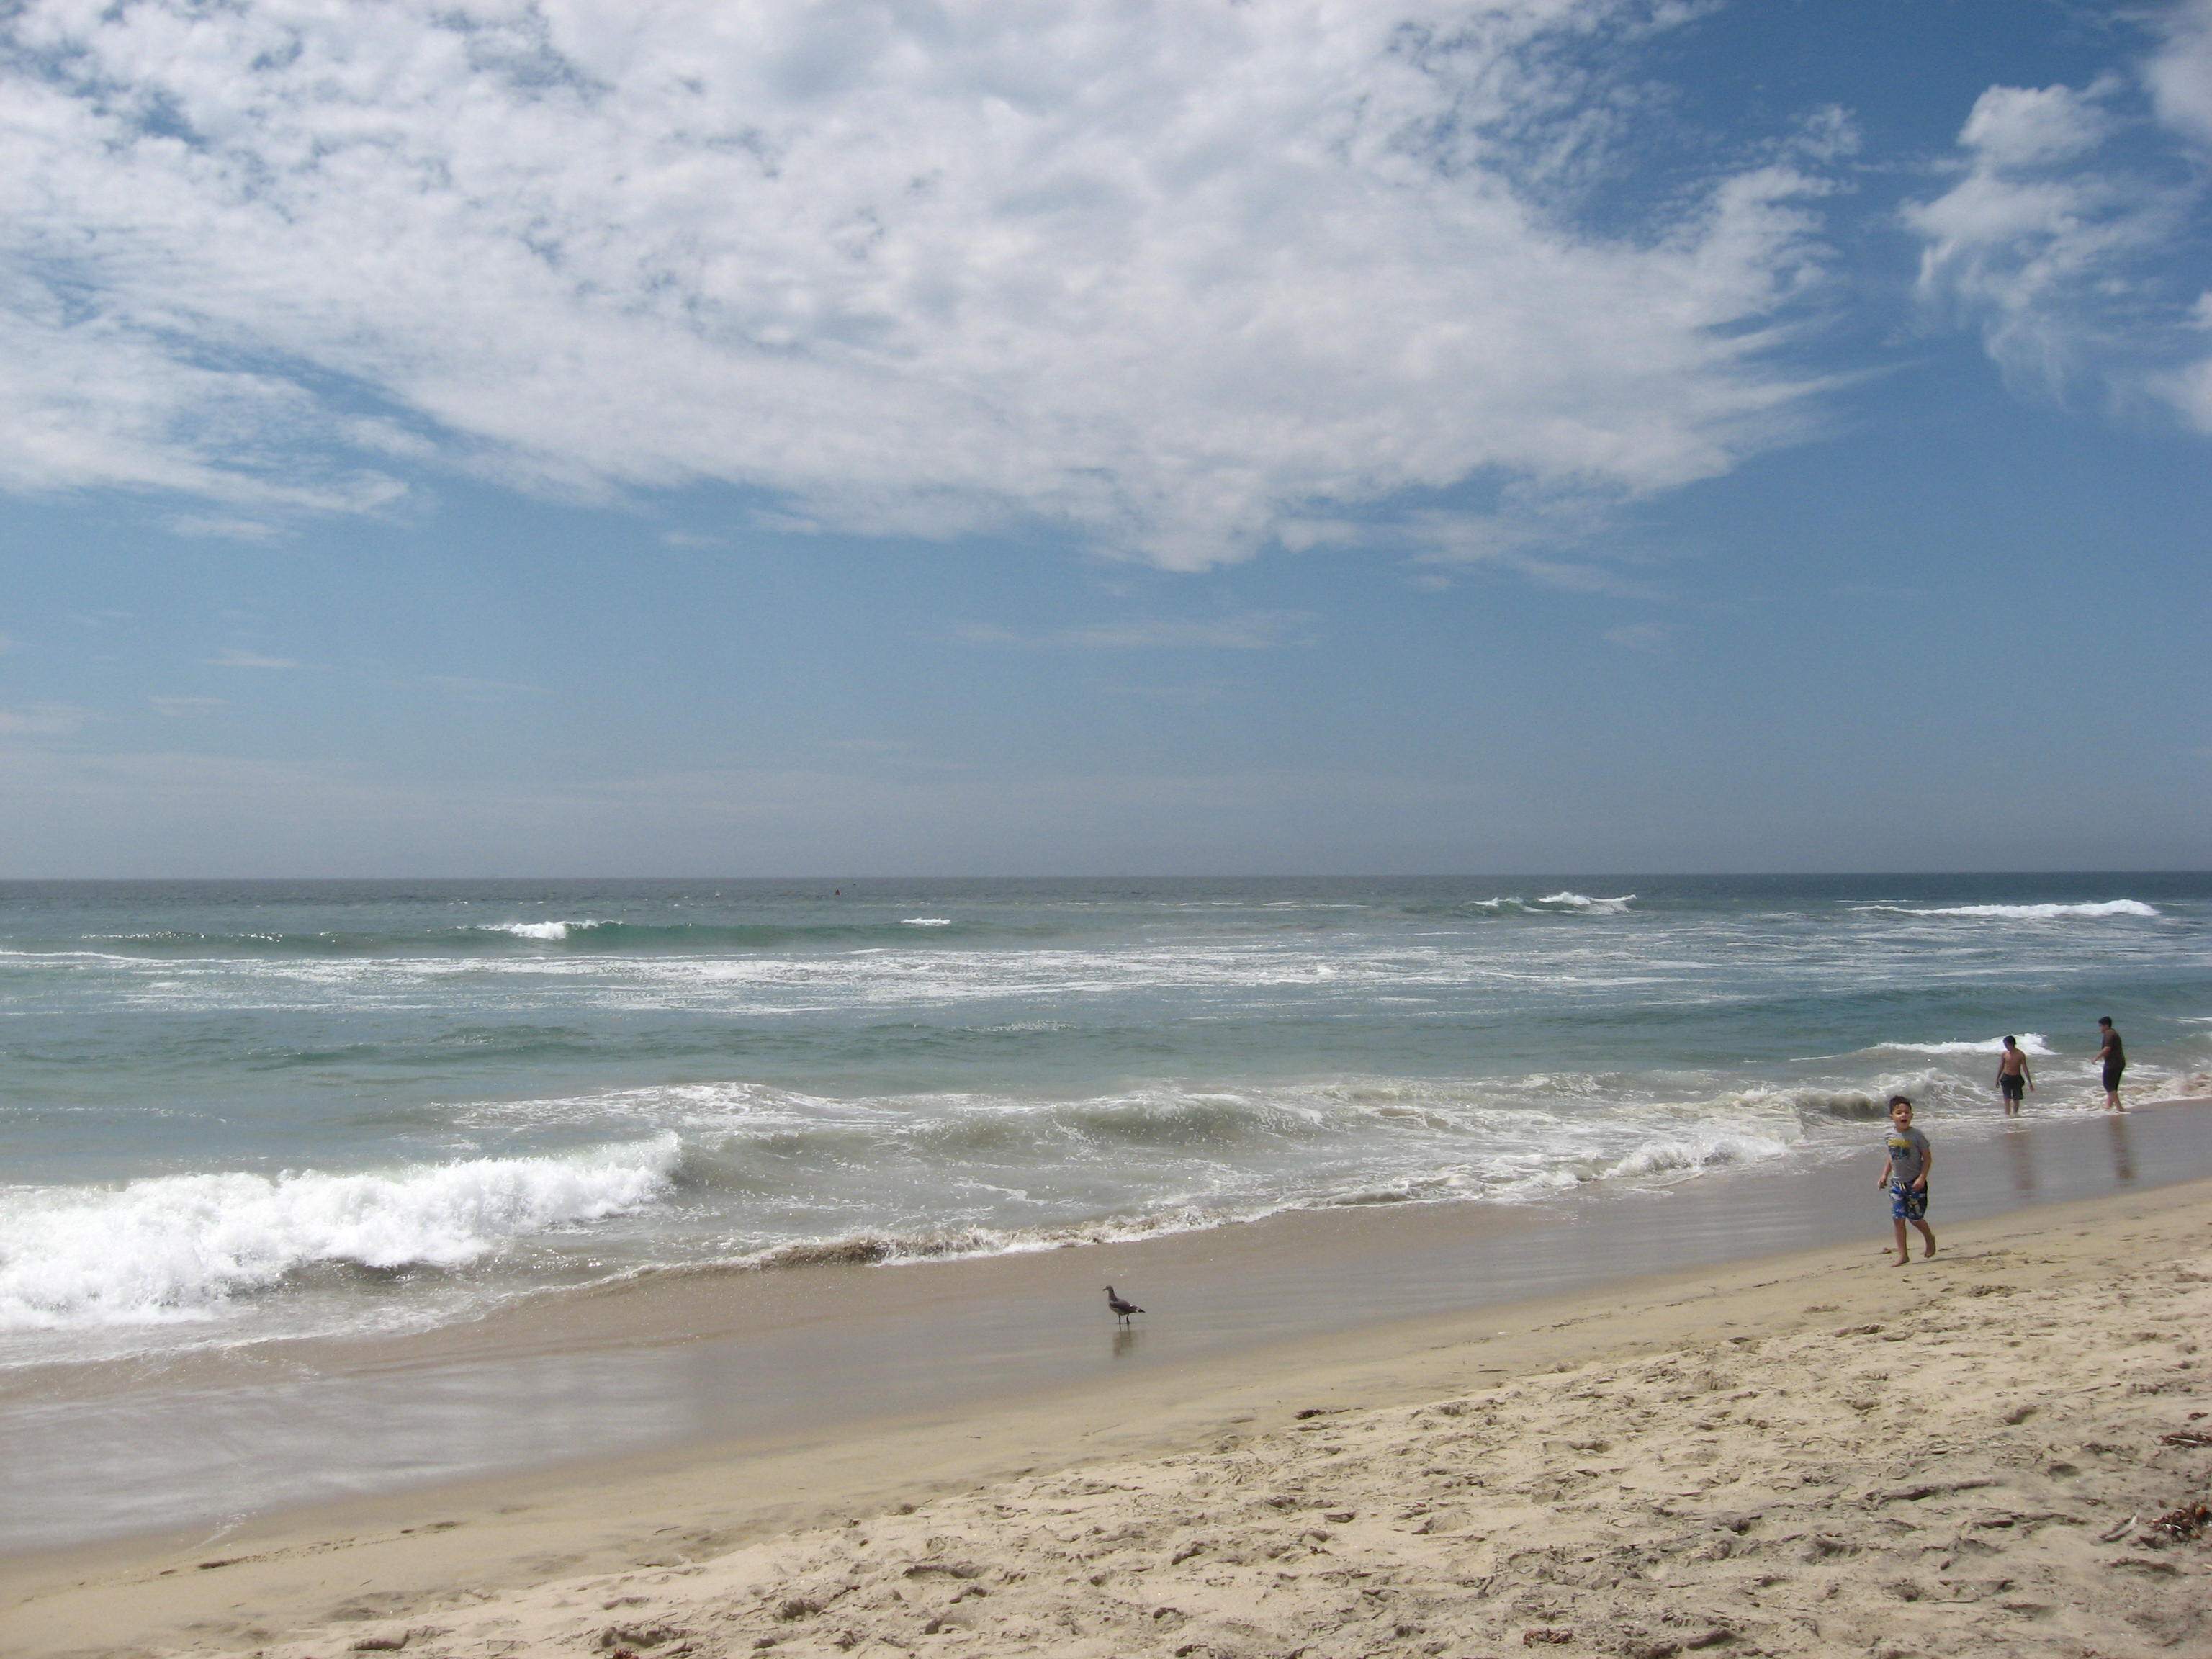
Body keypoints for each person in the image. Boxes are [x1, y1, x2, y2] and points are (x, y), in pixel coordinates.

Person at [1877, 1094, 1936, 1267]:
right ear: (1892, 1116)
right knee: (1898, 1219)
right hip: (1897, 1184)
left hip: (1915, 1183)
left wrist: (1922, 1178)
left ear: (1911, 1115)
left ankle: (1929, 1239)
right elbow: (1891, 1157)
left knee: (1915, 1219)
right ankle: (1903, 1255)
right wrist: (1884, 1175)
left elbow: (1927, 1158)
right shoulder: (1888, 1135)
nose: (1903, 1116)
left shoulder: (1917, 1135)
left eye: (1907, 1113)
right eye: (1899, 1113)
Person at [1995, 1035, 2033, 1116]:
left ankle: (2015, 1115)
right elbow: (2001, 1066)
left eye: (2006, 1045)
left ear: (2011, 1044)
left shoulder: (2020, 1054)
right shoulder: (2005, 1054)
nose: (2005, 1046)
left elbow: (2025, 1069)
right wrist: (1997, 1079)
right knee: (2007, 1099)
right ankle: (2007, 1116)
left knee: (2016, 1099)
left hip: (2017, 1078)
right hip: (2006, 1078)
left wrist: (2030, 1083)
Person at [2095, 1017, 2126, 1112]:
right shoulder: (2113, 1032)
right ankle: (2108, 1106)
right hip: (2119, 1062)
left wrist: (2096, 1058)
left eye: (2101, 1026)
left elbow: (2107, 1048)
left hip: (2113, 1063)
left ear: (2106, 1025)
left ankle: (2119, 1107)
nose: (2100, 1028)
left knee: (2108, 1085)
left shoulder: (2109, 1033)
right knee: (2113, 1086)